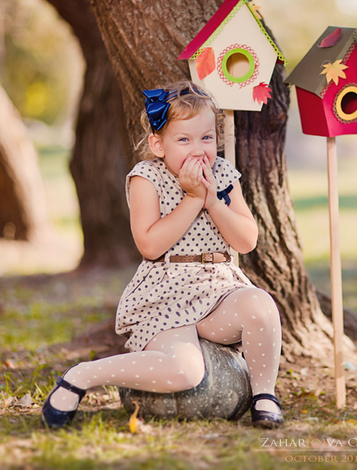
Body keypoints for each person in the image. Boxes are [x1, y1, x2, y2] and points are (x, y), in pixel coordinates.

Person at [41, 80, 283, 429]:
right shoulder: (147, 178)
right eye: (184, 140)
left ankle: (264, 396)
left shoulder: (223, 175)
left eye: (206, 138)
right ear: (158, 144)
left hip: (218, 291)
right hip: (167, 296)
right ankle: (81, 376)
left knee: (260, 305)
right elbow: (150, 245)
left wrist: (213, 201)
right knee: (185, 372)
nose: (198, 149)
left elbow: (247, 241)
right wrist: (193, 199)